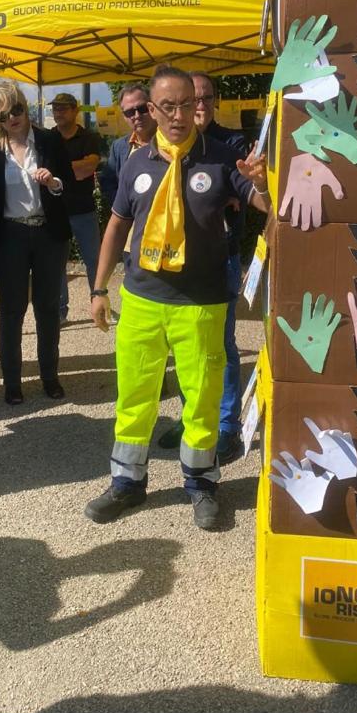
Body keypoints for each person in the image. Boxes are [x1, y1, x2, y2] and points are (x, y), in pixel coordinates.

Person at [84, 64, 270, 531]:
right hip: (142, 299)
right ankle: (126, 483)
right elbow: (117, 226)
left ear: (199, 106)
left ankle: (202, 484)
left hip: (202, 304)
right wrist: (98, 288)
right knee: (135, 394)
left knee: (202, 397)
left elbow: (268, 207)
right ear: (151, 109)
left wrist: (262, 184)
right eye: (168, 106)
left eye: (189, 104)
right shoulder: (135, 163)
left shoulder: (225, 159)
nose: (180, 114)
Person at [159, 72, 249, 465]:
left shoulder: (232, 145)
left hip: (219, 258)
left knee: (221, 347)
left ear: (215, 102)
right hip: (176, 263)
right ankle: (191, 415)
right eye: (190, 99)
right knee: (185, 346)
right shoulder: (168, 145)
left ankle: (226, 426)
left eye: (206, 98)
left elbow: (241, 198)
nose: (198, 106)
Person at [0, 82, 72, 404]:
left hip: (48, 234)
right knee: (11, 311)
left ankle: (50, 377)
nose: (12, 118)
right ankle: (12, 383)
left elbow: (68, 185)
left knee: (47, 309)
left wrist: (54, 183)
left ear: (24, 107)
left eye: (16, 109)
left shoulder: (49, 140)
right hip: (10, 237)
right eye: (2, 115)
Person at [49, 92, 103, 323]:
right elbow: (44, 171)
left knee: (94, 261)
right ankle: (60, 311)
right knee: (56, 264)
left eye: (62, 108)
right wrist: (75, 168)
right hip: (56, 211)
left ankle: (99, 305)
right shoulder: (48, 137)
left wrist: (58, 170)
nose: (57, 113)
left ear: (75, 110)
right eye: (55, 109)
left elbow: (88, 168)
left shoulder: (89, 137)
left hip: (84, 210)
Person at [99, 84, 157, 210]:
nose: (137, 115)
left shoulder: (170, 142)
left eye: (142, 109)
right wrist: (123, 209)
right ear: (124, 117)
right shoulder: (119, 147)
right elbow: (107, 181)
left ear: (152, 108)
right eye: (130, 112)